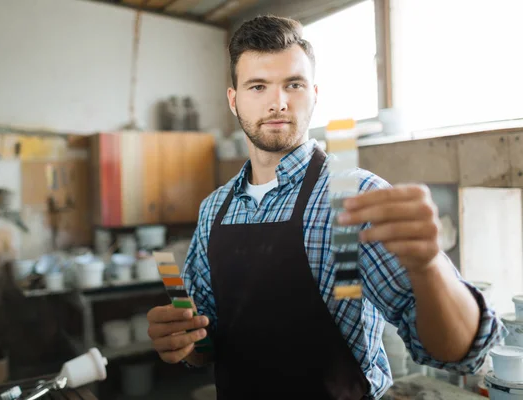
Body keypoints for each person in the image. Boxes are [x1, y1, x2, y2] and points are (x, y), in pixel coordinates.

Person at [147, 15, 506, 399]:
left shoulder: (353, 196)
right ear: (234, 100)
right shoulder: (213, 210)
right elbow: (206, 344)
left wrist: (430, 265)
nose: (278, 102)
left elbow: (458, 354)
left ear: (314, 93)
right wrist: (181, 342)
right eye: (258, 86)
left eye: (294, 84)